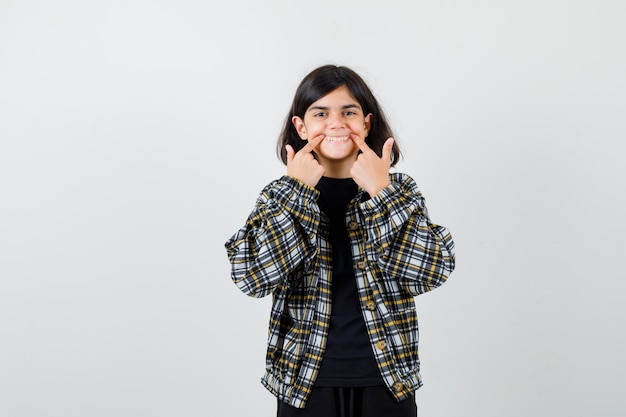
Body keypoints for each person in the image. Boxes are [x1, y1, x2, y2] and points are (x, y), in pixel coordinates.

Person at [225, 65, 455, 417]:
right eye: (321, 113)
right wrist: (297, 192)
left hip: (387, 379)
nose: (336, 123)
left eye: (348, 112)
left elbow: (432, 271)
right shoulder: (279, 195)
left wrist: (381, 193)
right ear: (301, 127)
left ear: (366, 123)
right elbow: (252, 277)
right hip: (303, 382)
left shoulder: (399, 191)